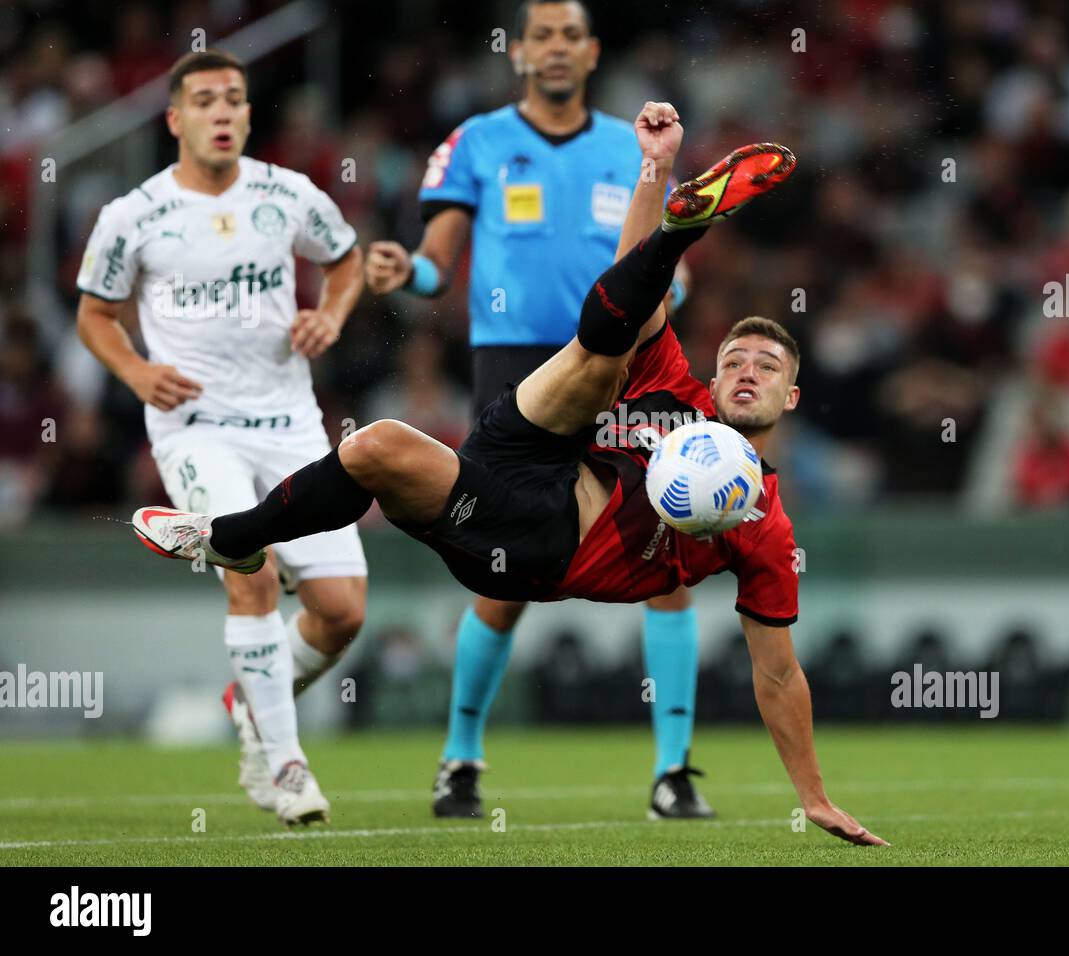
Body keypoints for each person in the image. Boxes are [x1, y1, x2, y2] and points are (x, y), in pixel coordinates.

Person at [133, 102, 888, 846]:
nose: (745, 370)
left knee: (600, 356)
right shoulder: (675, 388)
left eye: (766, 365)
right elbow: (628, 284)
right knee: (379, 444)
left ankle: (637, 768)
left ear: (791, 396)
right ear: (715, 377)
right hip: (521, 454)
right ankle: (232, 539)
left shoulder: (765, 522)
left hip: (544, 543)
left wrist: (813, 798)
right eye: (734, 360)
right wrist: (654, 170)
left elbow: (780, 674)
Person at [364, 0, 703, 820]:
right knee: (504, 577)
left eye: (570, 36)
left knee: (667, 556)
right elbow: (436, 265)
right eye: (540, 35)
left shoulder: (635, 144)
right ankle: (462, 758)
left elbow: (667, 260)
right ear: (518, 51)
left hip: (618, 362)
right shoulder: (477, 141)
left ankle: (673, 773)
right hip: (517, 378)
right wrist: (404, 273)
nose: (554, 49)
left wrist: (670, 288)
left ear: (591, 52)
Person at [78, 50, 367, 826]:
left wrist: (329, 317)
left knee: (341, 610)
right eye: (204, 100)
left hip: (290, 421)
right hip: (195, 426)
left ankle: (252, 699)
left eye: (234, 100)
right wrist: (138, 375)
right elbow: (93, 316)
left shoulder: (289, 193)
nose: (221, 112)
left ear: (246, 114)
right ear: (175, 119)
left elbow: (346, 264)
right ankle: (284, 762)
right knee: (253, 571)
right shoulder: (131, 214)